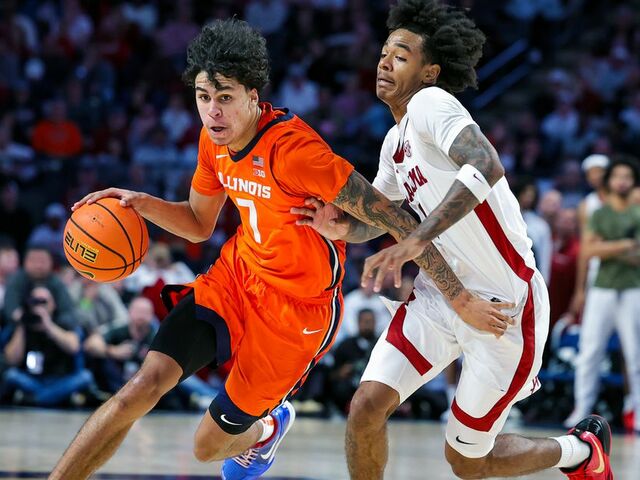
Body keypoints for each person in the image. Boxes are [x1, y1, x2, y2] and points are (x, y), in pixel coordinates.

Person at [49, 19, 504, 480]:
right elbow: (198, 224)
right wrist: (140, 204)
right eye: (203, 97)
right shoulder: (213, 140)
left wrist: (458, 297)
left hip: (297, 313)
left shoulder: (296, 152)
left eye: (225, 98)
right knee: (141, 388)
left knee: (207, 448)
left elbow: (396, 218)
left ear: (253, 96)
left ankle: (267, 429)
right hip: (237, 277)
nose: (212, 112)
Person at [296, 1, 612, 478]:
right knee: (365, 407)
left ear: (429, 72)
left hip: (503, 306)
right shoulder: (394, 142)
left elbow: (485, 164)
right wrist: (339, 226)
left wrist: (415, 240)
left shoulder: (432, 103)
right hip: (439, 297)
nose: (385, 62)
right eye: (384, 53)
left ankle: (581, 451)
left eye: (401, 56)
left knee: (467, 462)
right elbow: (378, 219)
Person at [564, 156, 640, 433]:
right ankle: (581, 410)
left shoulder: (637, 212)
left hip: (632, 288)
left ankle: (638, 411)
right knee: (589, 352)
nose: (622, 181)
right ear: (610, 180)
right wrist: (627, 245)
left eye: (627, 177)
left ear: (633, 181)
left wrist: (606, 247)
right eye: (617, 176)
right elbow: (589, 250)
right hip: (601, 288)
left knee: (635, 354)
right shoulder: (598, 213)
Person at [1, 285, 94, 406]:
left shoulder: (63, 321)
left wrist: (48, 326)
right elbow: (11, 359)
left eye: (44, 301)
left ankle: (37, 399)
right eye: (35, 301)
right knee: (11, 375)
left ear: (53, 304)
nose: (40, 306)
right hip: (33, 380)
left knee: (85, 377)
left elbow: (74, 347)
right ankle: (49, 398)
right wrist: (22, 325)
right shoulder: (24, 323)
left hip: (60, 380)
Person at [568, 154, 609, 316]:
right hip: (596, 269)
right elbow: (584, 248)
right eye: (591, 173)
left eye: (599, 171)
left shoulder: (629, 199)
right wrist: (579, 290)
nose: (596, 176)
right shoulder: (586, 205)